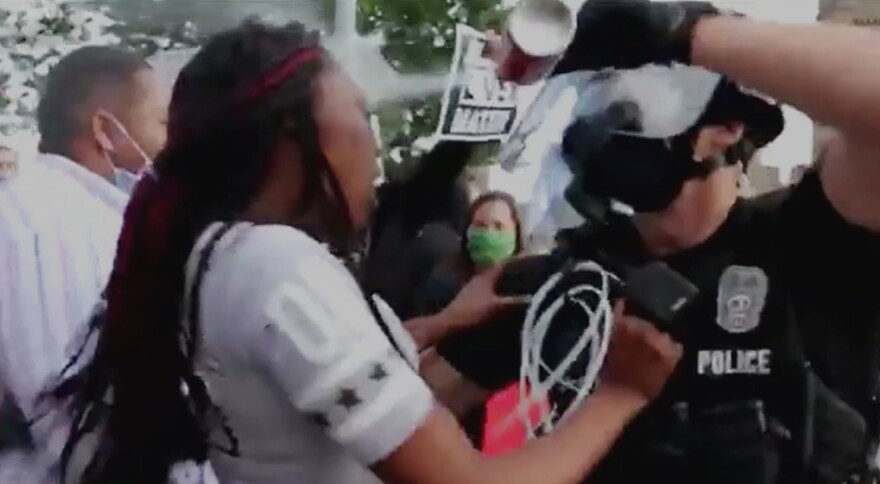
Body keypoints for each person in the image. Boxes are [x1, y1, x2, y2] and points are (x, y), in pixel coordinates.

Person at [48, 19, 681, 484]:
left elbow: (294, 382)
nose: (372, 144)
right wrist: (621, 393)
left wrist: (444, 322)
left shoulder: (213, 256)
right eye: (358, 113)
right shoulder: (277, 269)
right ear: (297, 140)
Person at [442, 2, 880, 483]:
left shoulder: (813, 239)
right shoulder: (564, 284)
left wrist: (686, 33)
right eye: (603, 91)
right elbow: (403, 425)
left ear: (726, 128)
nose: (610, 113)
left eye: (642, 93)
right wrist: (434, 327)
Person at [412, 191, 525, 448]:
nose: (488, 234)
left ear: (516, 235)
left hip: (498, 428)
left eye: (499, 227)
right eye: (481, 225)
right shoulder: (442, 283)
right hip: (436, 417)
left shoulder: (523, 296)